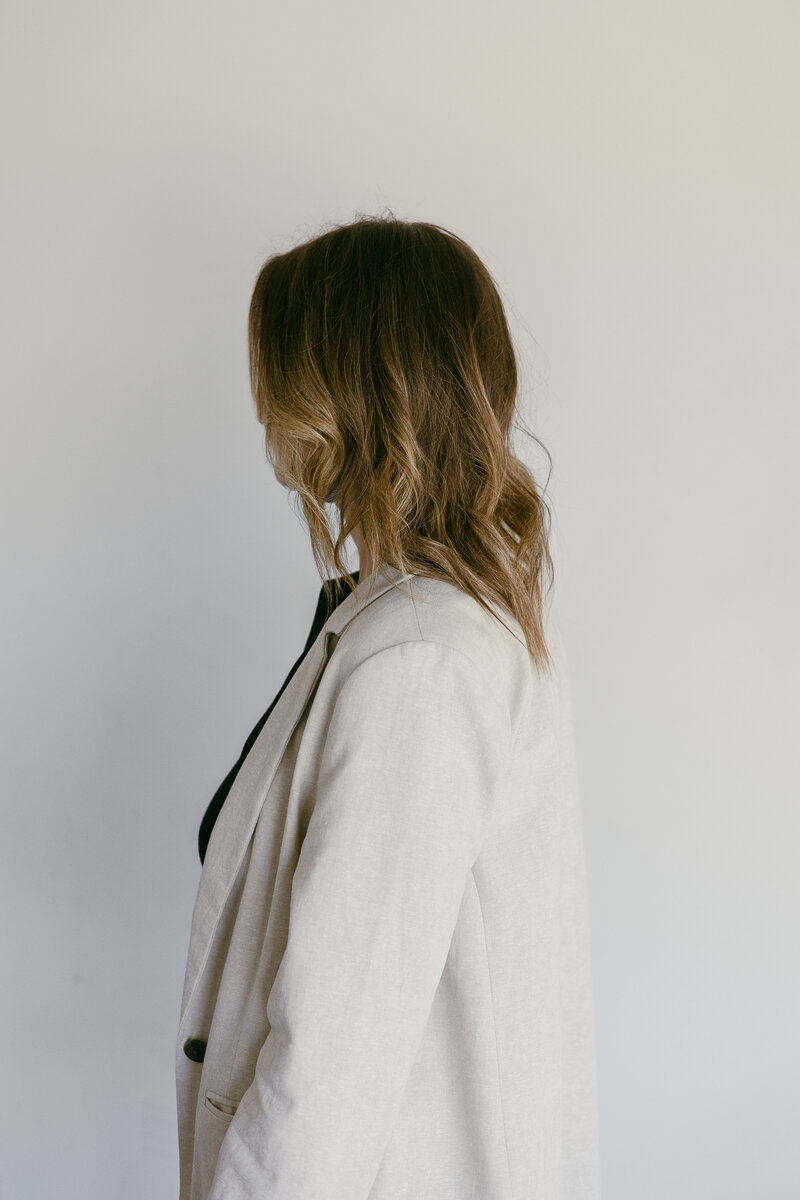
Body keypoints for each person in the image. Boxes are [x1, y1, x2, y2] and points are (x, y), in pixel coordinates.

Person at [175, 213, 602, 1200]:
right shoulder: (446, 620)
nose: (261, 414)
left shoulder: (419, 660)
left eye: (277, 377)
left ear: (342, 395)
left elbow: (333, 1057)